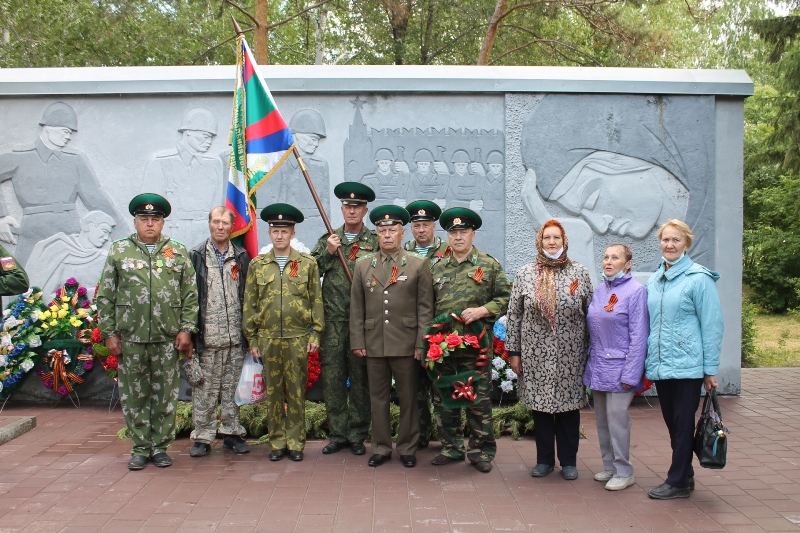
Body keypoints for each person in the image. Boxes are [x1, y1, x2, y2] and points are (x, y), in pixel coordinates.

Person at [96, 193, 198, 470]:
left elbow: (190, 294)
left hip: (166, 337)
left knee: (165, 396)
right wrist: (109, 332)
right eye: (144, 219)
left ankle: (161, 447)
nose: (150, 224)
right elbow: (105, 295)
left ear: (162, 223)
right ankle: (141, 447)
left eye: (155, 219)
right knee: (134, 394)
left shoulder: (177, 251)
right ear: (136, 221)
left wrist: (186, 330)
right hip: (131, 337)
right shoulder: (119, 251)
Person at [507, 219, 593, 480]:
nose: (552, 242)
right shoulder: (525, 273)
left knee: (568, 409)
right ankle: (544, 460)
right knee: (541, 408)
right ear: (539, 242)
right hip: (536, 353)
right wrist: (514, 352)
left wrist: (592, 352)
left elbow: (591, 313)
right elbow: (514, 315)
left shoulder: (579, 272)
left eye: (556, 237)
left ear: (564, 241)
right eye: (547, 238)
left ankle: (568, 461)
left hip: (570, 353)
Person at [645, 219, 723, 500]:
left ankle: (677, 480)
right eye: (666, 240)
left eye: (676, 240)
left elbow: (712, 324)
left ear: (686, 244)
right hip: (662, 365)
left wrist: (710, 369)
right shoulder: (655, 279)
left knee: (682, 423)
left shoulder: (699, 279)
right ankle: (685, 475)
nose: (670, 245)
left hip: (688, 366)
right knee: (672, 422)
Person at [350, 205, 433, 468]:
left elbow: (425, 308)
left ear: (402, 233)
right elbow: (356, 307)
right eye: (382, 231)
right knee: (378, 398)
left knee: (409, 398)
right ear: (376, 234)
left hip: (406, 342)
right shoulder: (363, 266)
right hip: (374, 342)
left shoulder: (418, 264)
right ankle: (382, 447)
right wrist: (358, 341)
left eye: (392, 230)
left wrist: (422, 342)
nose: (387, 235)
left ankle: (407, 447)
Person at [429, 207, 510, 473]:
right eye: (453, 232)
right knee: (445, 399)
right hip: (444, 348)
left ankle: (481, 451)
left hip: (477, 347)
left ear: (473, 234)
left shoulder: (488, 264)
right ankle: (451, 447)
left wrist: (482, 311)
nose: (458, 237)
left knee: (478, 401)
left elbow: (506, 297)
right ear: (448, 236)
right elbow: (426, 306)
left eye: (463, 231)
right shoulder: (437, 266)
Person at [0, 101, 128, 264]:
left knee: (71, 283)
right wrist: (1, 217)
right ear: (47, 128)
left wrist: (124, 236)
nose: (68, 136)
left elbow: (96, 198)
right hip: (32, 231)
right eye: (65, 131)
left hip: (67, 230)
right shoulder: (20, 157)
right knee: (24, 280)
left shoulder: (74, 161)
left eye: (70, 133)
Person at [245, 203, 324, 462]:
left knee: (297, 391)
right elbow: (250, 303)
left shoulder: (308, 264)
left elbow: (316, 301)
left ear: (293, 233)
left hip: (298, 337)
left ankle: (296, 442)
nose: (280, 235)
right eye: (275, 231)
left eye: (285, 231)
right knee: (274, 392)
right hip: (267, 338)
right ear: (269, 233)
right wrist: (252, 338)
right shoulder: (258, 265)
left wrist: (315, 335)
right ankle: (278, 441)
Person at [311, 183, 379, 457]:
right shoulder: (329, 238)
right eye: (347, 206)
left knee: (361, 380)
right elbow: (309, 271)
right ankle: (338, 434)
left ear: (364, 210)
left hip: (362, 321)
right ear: (341, 209)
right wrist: (328, 251)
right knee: (334, 380)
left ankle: (358, 435)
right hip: (333, 321)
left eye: (357, 207)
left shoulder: (374, 241)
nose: (352, 211)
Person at [583, 244, 648, 490]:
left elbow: (639, 335)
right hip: (598, 365)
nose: (609, 261)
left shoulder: (636, 291)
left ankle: (624, 470)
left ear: (628, 263)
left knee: (617, 418)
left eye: (615, 257)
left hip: (621, 367)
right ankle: (609, 466)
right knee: (601, 419)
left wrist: (631, 373)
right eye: (606, 256)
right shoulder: (600, 290)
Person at [188, 206, 251, 458]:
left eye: (225, 222)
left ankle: (232, 434)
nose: (220, 227)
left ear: (232, 226)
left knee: (233, 389)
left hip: (235, 336)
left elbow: (248, 295)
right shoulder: (195, 255)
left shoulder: (242, 256)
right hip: (207, 337)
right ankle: (202, 437)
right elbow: (190, 297)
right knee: (204, 390)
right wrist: (190, 334)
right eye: (216, 222)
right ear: (209, 224)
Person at [402, 200, 449, 448]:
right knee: (415, 388)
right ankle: (420, 436)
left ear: (434, 227)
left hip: (442, 330)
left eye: (426, 225)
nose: (421, 230)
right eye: (417, 225)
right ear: (411, 228)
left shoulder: (448, 251)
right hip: (412, 331)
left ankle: (446, 438)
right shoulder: (403, 253)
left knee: (441, 387)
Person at [143, 108, 225, 247]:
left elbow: (217, 205)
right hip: (172, 231)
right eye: (204, 136)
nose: (209, 142)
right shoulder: (161, 162)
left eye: (211, 137)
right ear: (187, 132)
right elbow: (148, 207)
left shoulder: (214, 164)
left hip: (205, 234)